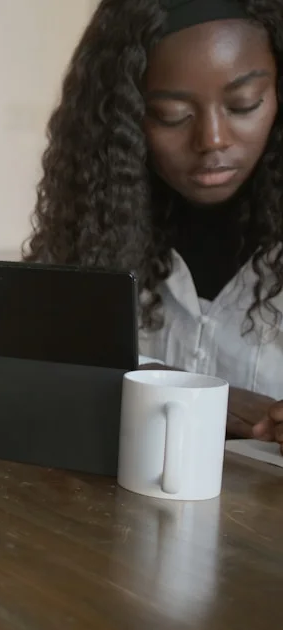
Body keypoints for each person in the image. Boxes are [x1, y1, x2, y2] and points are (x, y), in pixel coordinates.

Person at [24, 0, 283, 452]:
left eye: (245, 104)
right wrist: (149, 382)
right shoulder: (93, 234)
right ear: (123, 120)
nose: (213, 140)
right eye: (172, 115)